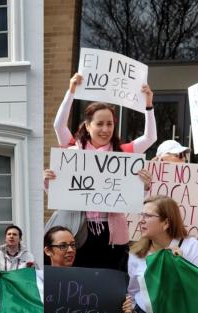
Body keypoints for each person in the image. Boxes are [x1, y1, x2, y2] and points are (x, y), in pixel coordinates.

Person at [49, 73, 156, 272]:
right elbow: (58, 125)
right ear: (87, 126)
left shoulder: (122, 153)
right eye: (99, 124)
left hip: (112, 235)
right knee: (79, 282)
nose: (105, 129)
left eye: (110, 124)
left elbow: (150, 137)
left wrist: (148, 105)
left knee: (110, 282)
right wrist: (71, 91)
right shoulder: (73, 149)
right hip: (79, 230)